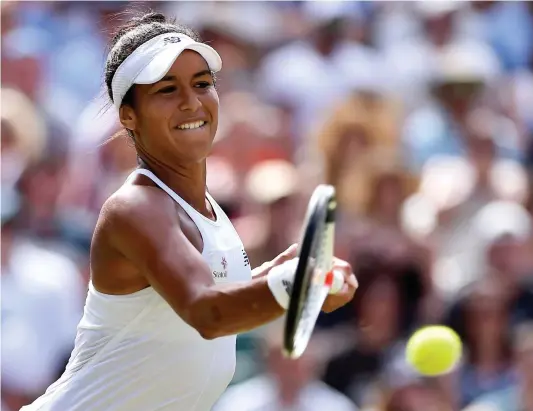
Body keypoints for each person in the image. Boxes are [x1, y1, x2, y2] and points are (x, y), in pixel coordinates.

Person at [21, 11, 357, 411]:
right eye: (166, 90)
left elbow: (214, 295)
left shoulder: (206, 208)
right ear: (128, 115)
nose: (191, 102)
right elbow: (206, 312)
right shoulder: (135, 208)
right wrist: (297, 284)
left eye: (202, 84)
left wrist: (287, 274)